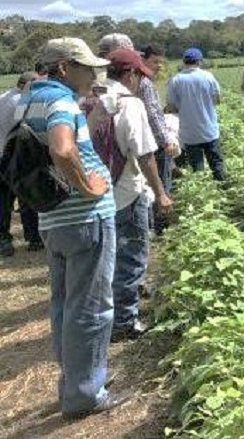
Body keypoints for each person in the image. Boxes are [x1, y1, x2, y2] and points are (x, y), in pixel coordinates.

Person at [17, 37, 127, 418]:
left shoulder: (27, 99)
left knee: (66, 303)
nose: (94, 73)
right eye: (86, 66)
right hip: (84, 217)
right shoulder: (61, 101)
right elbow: (63, 149)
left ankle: (78, 379)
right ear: (64, 67)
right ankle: (84, 395)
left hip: (52, 218)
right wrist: (87, 185)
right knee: (92, 307)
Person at [83, 48, 173, 341]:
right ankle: (124, 322)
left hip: (90, 193)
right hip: (125, 193)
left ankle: (103, 316)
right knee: (131, 258)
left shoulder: (87, 99)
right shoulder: (129, 104)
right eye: (139, 75)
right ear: (130, 73)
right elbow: (145, 155)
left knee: (103, 259)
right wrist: (160, 193)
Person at [0, 71, 43, 255]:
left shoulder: (3, 97)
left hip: (1, 153)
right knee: (26, 196)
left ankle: (3, 239)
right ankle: (33, 237)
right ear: (27, 84)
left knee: (3, 200)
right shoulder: (21, 101)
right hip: (15, 156)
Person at [166, 47, 225, 181]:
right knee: (216, 164)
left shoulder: (175, 80)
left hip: (189, 132)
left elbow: (171, 107)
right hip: (209, 129)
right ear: (199, 61)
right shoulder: (208, 76)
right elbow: (217, 100)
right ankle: (223, 191)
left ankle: (202, 194)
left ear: (184, 62)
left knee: (197, 168)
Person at [137, 45, 176, 235]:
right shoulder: (145, 83)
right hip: (154, 143)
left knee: (148, 184)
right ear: (143, 59)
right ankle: (160, 228)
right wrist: (166, 141)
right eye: (155, 61)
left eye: (161, 62)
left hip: (142, 142)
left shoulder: (137, 81)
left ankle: (152, 225)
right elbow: (153, 114)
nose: (159, 66)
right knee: (160, 183)